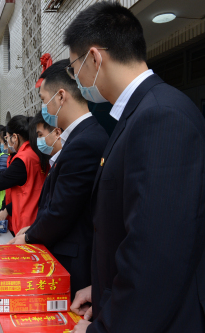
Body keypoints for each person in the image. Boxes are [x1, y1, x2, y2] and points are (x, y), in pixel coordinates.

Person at [63, 3, 205, 332]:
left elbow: (155, 257)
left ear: (95, 58)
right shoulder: (139, 113)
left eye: (74, 67)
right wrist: (102, 293)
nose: (77, 79)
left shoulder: (161, 117)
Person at [8, 59, 109, 298]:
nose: (44, 108)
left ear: (61, 96)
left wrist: (30, 235)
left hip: (74, 262)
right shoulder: (81, 138)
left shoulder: (84, 142)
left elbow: (62, 210)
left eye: (44, 100)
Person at [0, 116, 47, 234]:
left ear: (15, 137)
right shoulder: (33, 153)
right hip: (34, 216)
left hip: (26, 220)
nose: (7, 143)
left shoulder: (23, 158)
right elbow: (11, 176)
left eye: (7, 138)